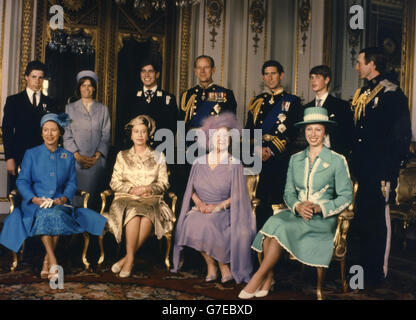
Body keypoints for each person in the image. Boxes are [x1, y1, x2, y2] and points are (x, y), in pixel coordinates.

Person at [239, 107, 353, 299]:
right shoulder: (295, 159)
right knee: (272, 225)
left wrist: (319, 208)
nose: (313, 134)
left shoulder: (337, 160)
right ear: (304, 131)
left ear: (325, 131)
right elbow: (289, 193)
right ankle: (268, 278)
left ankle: (259, 277)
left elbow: (346, 196)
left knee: (277, 228)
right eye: (309, 129)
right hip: (297, 214)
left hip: (321, 220)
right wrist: (298, 206)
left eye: (318, 129)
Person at [0, 113, 107, 279]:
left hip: (59, 203)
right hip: (35, 204)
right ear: (41, 133)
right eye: (46, 130)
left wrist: (63, 198)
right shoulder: (31, 154)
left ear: (60, 133)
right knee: (45, 214)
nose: (49, 134)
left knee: (55, 213)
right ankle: (53, 261)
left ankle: (46, 261)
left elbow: (71, 183)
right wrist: (34, 199)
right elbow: (22, 182)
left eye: (53, 130)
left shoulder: (68, 156)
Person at [351, 47, 412, 287]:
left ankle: (378, 273)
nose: (356, 67)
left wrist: (389, 171)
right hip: (362, 169)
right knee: (363, 220)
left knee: (378, 221)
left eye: (359, 62)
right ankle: (363, 271)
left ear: (372, 64)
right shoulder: (363, 92)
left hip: (380, 170)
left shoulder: (391, 93)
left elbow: (400, 136)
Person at [172, 113, 256, 284]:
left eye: (226, 136)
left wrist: (217, 207)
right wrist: (200, 204)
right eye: (218, 136)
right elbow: (191, 191)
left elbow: (239, 196)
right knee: (191, 222)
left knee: (209, 224)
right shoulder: (198, 162)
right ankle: (212, 265)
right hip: (201, 209)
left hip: (225, 210)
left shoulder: (235, 163)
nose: (222, 140)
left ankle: (222, 266)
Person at [103, 115, 174, 278]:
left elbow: (164, 183)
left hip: (150, 198)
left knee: (148, 216)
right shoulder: (122, 155)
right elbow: (114, 182)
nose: (140, 135)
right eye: (136, 132)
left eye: (143, 132)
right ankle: (129, 259)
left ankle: (127, 260)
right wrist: (131, 189)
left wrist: (148, 188)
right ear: (131, 134)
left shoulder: (158, 156)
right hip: (125, 198)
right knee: (134, 213)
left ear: (149, 134)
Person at [245, 60, 303, 230]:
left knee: (277, 202)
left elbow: (292, 132)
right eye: (266, 74)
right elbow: (249, 130)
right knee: (258, 201)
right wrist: (257, 149)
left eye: (273, 73)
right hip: (257, 158)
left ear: (281, 75)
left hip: (279, 159)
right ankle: (258, 242)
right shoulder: (256, 101)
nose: (270, 78)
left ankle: (275, 241)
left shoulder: (292, 101)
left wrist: (270, 150)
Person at [2, 60, 58, 191]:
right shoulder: (13, 101)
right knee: (19, 196)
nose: (37, 81)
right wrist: (9, 158)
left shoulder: (51, 103)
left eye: (40, 78)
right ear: (26, 77)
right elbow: (7, 131)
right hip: (19, 156)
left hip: (43, 157)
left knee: (41, 196)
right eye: (33, 77)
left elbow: (57, 131)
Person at [63, 70, 111, 209]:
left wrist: (96, 157)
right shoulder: (69, 109)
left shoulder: (103, 109)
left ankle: (88, 229)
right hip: (75, 161)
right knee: (75, 199)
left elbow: (106, 135)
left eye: (90, 85)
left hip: (95, 162)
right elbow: (66, 134)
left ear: (94, 88)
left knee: (92, 200)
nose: (86, 88)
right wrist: (77, 155)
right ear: (79, 87)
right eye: (83, 85)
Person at [302, 65, 354, 158]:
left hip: (334, 155)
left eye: (317, 77)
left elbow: (347, 134)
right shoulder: (307, 107)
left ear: (326, 80)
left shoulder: (341, 106)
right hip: (311, 156)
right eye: (312, 78)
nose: (313, 81)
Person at [126, 60, 178, 150]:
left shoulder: (168, 99)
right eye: (143, 71)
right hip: (136, 150)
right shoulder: (131, 98)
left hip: (160, 150)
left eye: (150, 71)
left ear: (157, 74)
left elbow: (173, 128)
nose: (147, 75)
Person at [179, 55, 237, 134]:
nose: (202, 71)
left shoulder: (225, 94)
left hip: (214, 143)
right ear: (195, 71)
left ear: (213, 70)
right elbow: (181, 126)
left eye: (206, 67)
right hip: (191, 143)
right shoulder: (187, 95)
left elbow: (230, 124)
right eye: (199, 68)